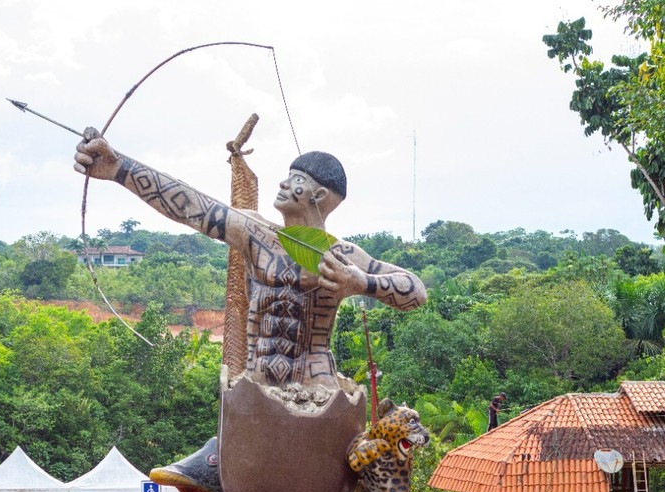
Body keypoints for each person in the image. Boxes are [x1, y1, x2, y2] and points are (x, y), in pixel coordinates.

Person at [74, 134, 427, 390]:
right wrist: (119, 168)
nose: (283, 183)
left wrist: (362, 283)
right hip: (257, 380)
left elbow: (416, 292)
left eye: (296, 180)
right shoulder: (255, 232)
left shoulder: (342, 256)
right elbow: (191, 206)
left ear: (318, 195)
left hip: (315, 383)